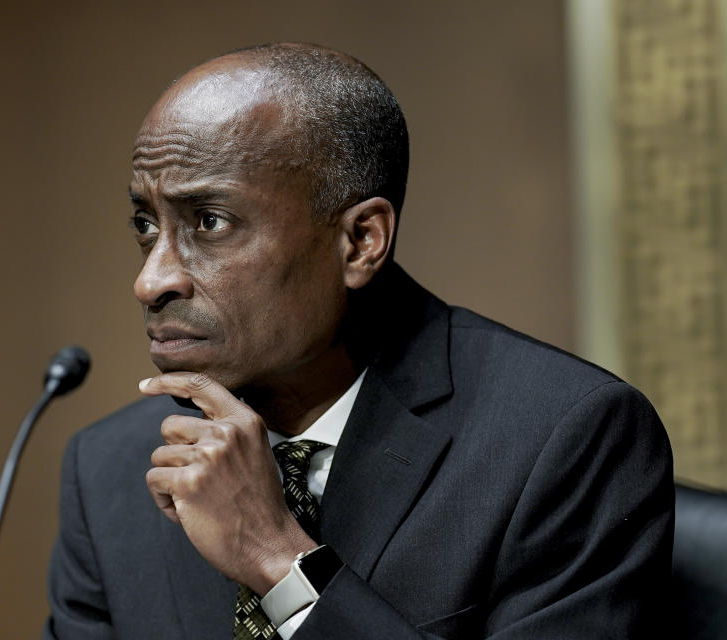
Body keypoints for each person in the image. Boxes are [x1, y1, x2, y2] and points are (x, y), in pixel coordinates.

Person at [44, 43, 673, 639]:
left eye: (209, 222)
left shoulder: (565, 438)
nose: (150, 279)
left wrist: (278, 559)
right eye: (145, 225)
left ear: (361, 241)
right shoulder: (109, 471)